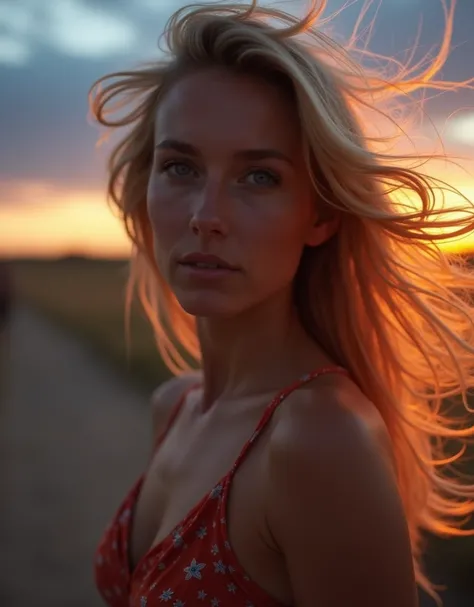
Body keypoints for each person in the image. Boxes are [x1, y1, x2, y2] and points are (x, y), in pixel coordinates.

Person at [89, 1, 474, 605]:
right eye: (180, 166)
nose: (205, 216)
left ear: (319, 214)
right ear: (145, 185)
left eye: (259, 176)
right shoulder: (176, 406)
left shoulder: (319, 440)